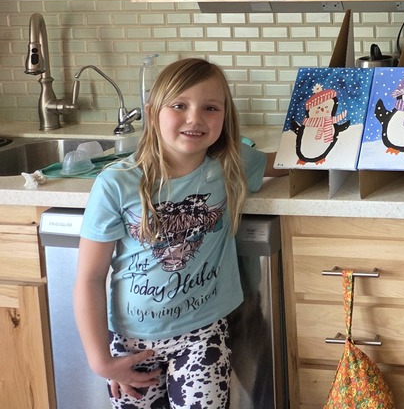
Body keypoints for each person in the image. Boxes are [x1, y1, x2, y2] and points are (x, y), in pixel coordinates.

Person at [73, 57, 281, 408]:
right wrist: (100, 361)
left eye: (210, 108)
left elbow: (290, 161)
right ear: (152, 112)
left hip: (203, 336)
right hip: (131, 343)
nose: (194, 118)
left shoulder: (231, 165)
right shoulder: (116, 183)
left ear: (226, 117)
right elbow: (89, 278)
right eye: (179, 105)